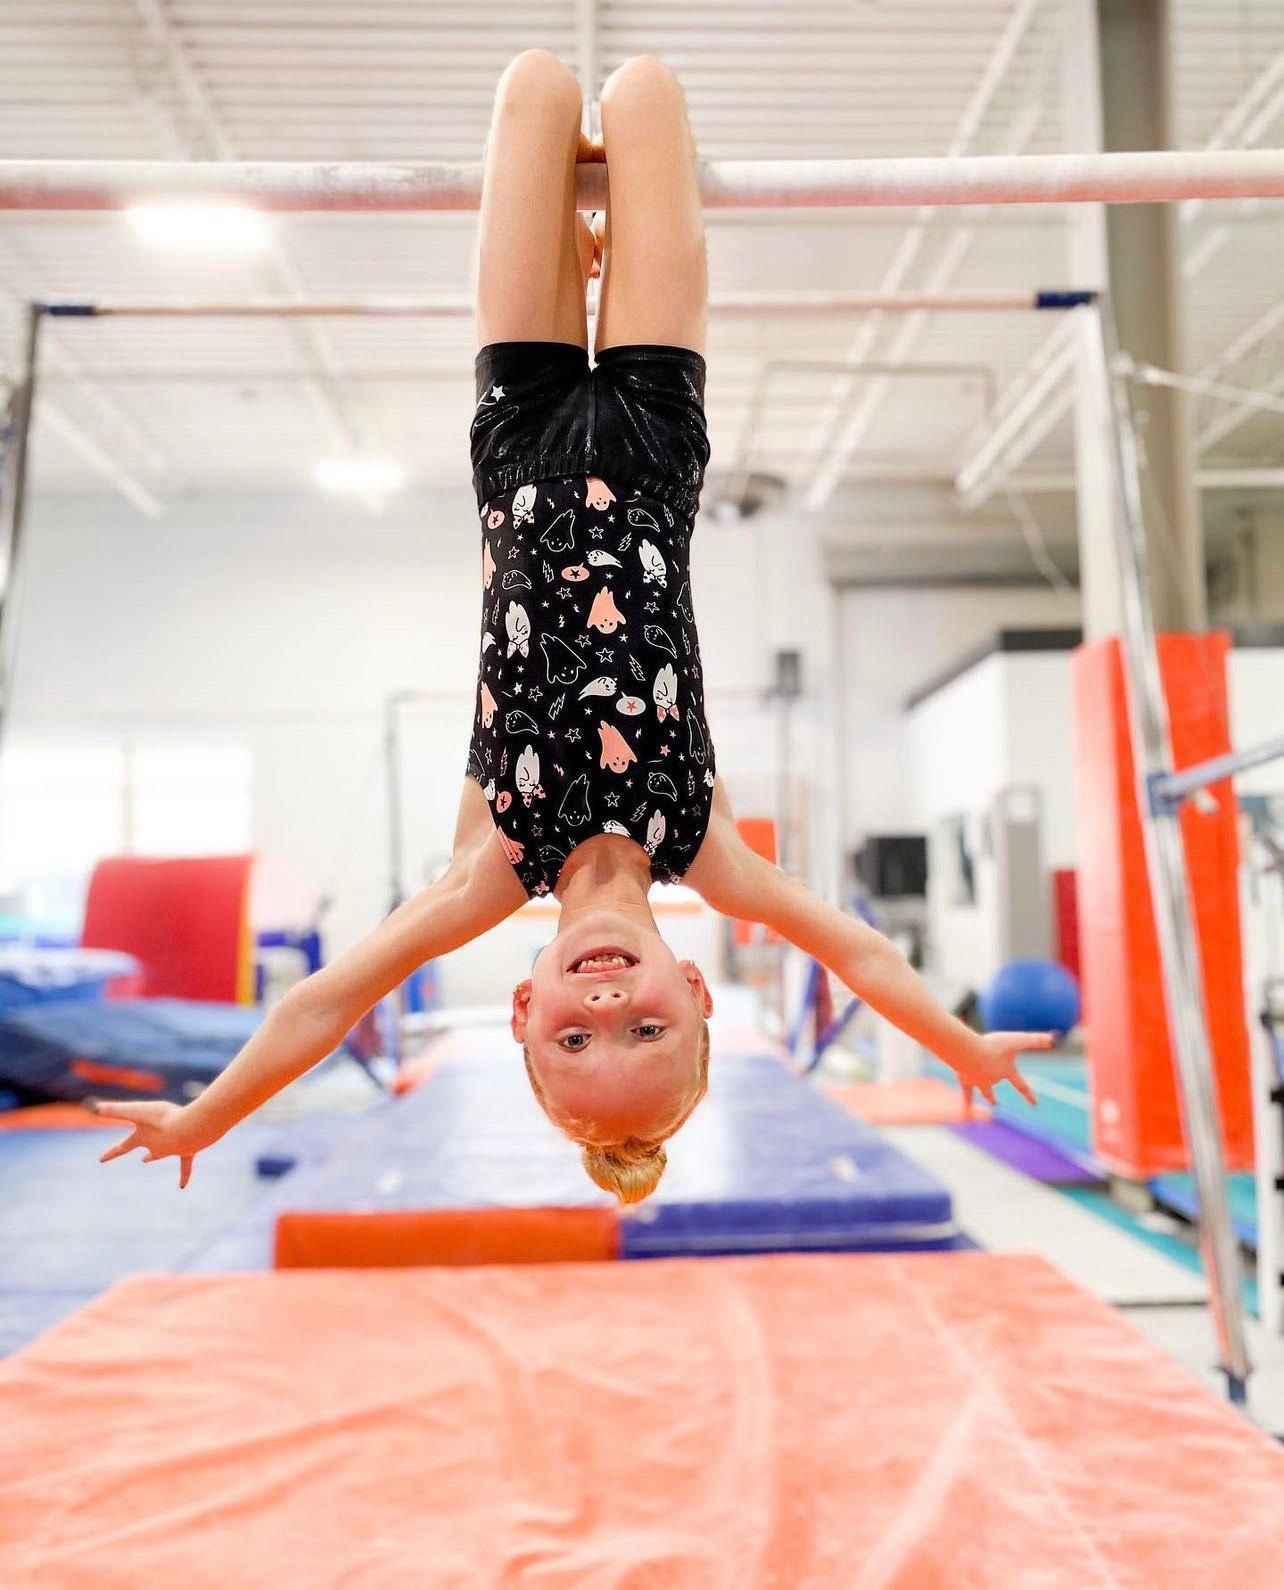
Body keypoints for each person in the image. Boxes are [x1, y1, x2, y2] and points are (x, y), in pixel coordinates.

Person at [89, 52, 1046, 1205]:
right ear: (696, 992)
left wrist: (207, 1114)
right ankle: (606, 224)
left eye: (574, 1042)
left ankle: (573, 216)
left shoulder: (489, 865)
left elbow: (326, 999)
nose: (605, 1013)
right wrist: (963, 1047)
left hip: (521, 430)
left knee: (535, 87)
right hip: (657, 431)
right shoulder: (711, 851)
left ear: (523, 1010)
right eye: (646, 1032)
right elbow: (860, 951)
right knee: (645, 92)